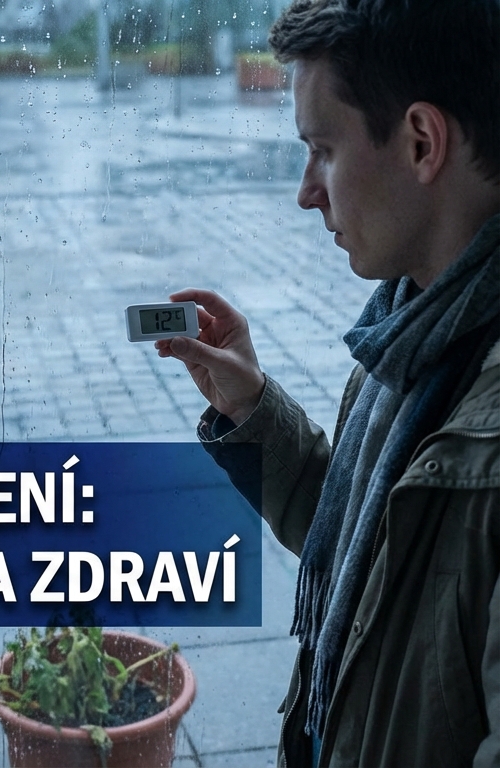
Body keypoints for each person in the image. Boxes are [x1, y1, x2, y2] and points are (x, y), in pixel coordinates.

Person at [154, 2, 500, 765]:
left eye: (323, 151)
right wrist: (251, 407)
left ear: (420, 141)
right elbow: (371, 560)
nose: (306, 191)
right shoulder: (411, 332)